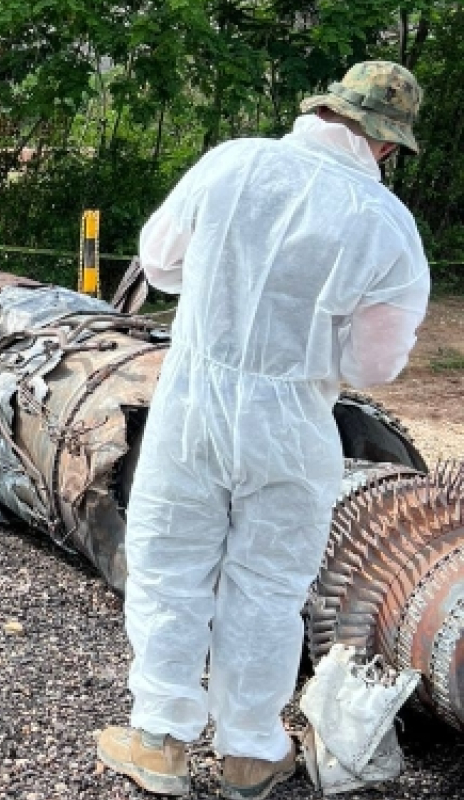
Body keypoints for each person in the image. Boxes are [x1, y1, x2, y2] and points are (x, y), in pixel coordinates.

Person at [97, 61, 430, 800]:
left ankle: (159, 742)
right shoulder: (388, 228)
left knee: (169, 570)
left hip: (192, 409)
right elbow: (375, 364)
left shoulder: (234, 163)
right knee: (269, 589)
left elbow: (158, 259)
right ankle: (250, 753)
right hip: (294, 425)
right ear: (384, 144)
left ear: (327, 110)